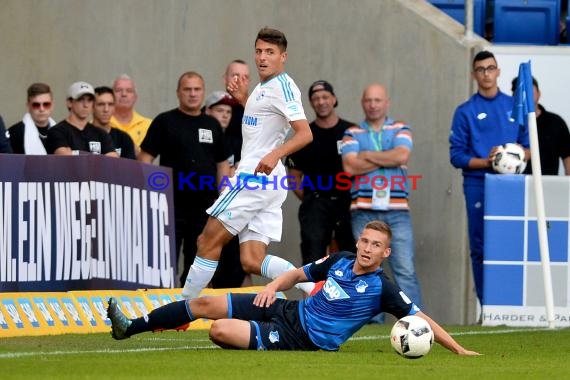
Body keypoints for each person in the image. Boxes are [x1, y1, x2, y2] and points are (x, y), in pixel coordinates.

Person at [107, 220, 480, 355]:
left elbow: (420, 318)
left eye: (374, 245)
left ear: (386, 252)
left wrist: (459, 349)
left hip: (302, 339)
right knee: (205, 304)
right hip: (287, 310)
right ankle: (131, 327)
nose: (366, 249)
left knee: (218, 331)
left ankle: (257, 339)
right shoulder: (340, 260)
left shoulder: (382, 289)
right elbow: (297, 275)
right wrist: (272, 287)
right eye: (364, 241)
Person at [181, 27, 315, 300]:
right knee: (252, 260)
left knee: (207, 241)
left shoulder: (284, 87)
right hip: (268, 182)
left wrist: (276, 153)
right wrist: (245, 98)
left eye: (270, 52)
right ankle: (313, 288)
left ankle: (182, 310)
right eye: (258, 51)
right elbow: (265, 123)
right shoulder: (264, 88)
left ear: (283, 56)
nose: (262, 58)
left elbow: (305, 133)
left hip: (254, 178)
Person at [449, 50, 530, 306]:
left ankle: (512, 304)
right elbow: (457, 156)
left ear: (498, 71)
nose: (486, 73)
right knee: (480, 245)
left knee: (512, 241)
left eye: (491, 68)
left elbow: (529, 147)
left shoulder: (513, 106)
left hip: (512, 185)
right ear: (474, 75)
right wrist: (489, 161)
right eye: (481, 69)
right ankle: (487, 305)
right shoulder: (465, 111)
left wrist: (512, 154)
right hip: (478, 184)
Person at [138, 71, 230, 286]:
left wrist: (223, 199)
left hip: (204, 207)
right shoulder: (164, 121)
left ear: (203, 92)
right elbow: (145, 159)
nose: (192, 94)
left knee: (195, 263)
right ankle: (161, 311)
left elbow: (222, 165)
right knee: (164, 262)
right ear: (178, 92)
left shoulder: (213, 124)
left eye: (197, 89)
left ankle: (189, 311)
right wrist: (150, 194)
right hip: (169, 206)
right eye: (187, 89)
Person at [342, 83, 423, 323]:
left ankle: (415, 321)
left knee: (404, 269)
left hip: (397, 212)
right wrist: (386, 159)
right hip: (363, 212)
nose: (373, 105)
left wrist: (365, 156)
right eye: (368, 100)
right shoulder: (351, 132)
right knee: (367, 268)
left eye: (378, 100)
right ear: (362, 103)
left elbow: (401, 155)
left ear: (387, 102)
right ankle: (371, 322)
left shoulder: (401, 128)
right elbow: (349, 166)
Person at [286, 80, 355, 264]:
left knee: (351, 256)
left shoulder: (352, 131)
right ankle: (314, 293)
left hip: (348, 203)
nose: (321, 102)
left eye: (325, 97)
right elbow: (293, 178)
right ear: (310, 103)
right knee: (313, 256)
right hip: (315, 204)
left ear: (334, 99)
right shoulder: (304, 135)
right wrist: (311, 199)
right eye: (315, 98)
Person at [203, 91, 251, 288]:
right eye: (219, 110)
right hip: (204, 206)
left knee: (236, 265)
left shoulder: (235, 141)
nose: (224, 115)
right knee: (205, 259)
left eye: (228, 111)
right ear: (208, 111)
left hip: (231, 210)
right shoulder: (202, 137)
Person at [510, 76, 570, 175]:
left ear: (539, 93)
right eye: (521, 92)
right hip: (516, 185)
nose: (525, 96)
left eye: (529, 91)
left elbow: (567, 156)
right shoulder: (508, 123)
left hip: (548, 186)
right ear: (513, 96)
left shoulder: (556, 122)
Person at [46, 81, 119, 157]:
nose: (86, 105)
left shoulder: (101, 134)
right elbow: (64, 156)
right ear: (69, 102)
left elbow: (113, 160)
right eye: (80, 99)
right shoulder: (57, 131)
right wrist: (99, 158)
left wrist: (75, 153)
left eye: (89, 100)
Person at [9, 83, 56, 154]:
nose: (41, 109)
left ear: (52, 105)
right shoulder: (14, 133)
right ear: (28, 106)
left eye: (46, 104)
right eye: (36, 105)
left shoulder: (61, 132)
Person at [109, 74, 152, 149]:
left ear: (135, 97)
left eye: (129, 91)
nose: (124, 94)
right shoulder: (98, 125)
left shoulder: (149, 126)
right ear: (110, 96)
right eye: (118, 90)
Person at [92, 86, 136, 159]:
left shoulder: (124, 138)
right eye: (101, 104)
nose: (106, 109)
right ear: (92, 107)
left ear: (114, 107)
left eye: (110, 104)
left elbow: (131, 169)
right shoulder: (81, 135)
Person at [222, 59, 250, 166]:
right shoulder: (211, 110)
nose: (240, 81)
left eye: (245, 77)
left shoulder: (261, 112)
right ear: (225, 79)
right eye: (235, 76)